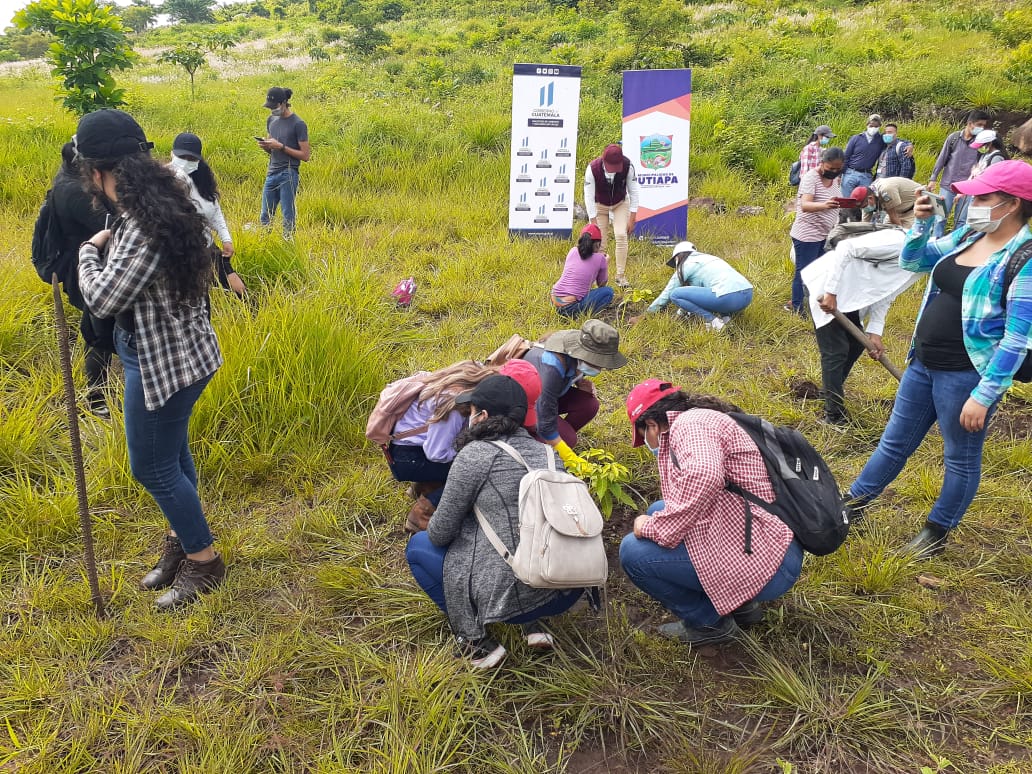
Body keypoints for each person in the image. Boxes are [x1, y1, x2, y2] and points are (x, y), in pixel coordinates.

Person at [75, 109, 225, 609]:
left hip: (163, 361)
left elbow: (102, 299)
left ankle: (204, 562)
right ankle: (185, 542)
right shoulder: (169, 200)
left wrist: (87, 252)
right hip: (183, 351)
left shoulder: (140, 224)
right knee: (173, 457)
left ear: (96, 171)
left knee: (151, 467)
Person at [844, 160, 1032, 558]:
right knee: (894, 442)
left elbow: (1017, 339)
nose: (973, 203)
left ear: (1012, 204)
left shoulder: (1025, 258)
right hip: (923, 362)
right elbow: (914, 261)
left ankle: (937, 529)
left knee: (959, 457)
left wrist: (985, 394)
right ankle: (853, 504)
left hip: (967, 375)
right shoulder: (969, 233)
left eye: (983, 197)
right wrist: (922, 224)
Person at [406, 374, 584, 668]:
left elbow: (439, 534)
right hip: (565, 585)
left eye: (471, 411)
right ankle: (536, 627)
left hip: (513, 595)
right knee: (524, 531)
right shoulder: (549, 454)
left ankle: (476, 643)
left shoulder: (475, 455)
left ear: (483, 416)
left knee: (419, 547)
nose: (468, 418)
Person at [619, 380, 803, 645]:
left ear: (651, 425)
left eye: (643, 435)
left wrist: (654, 528)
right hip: (774, 545)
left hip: (770, 564)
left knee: (633, 553)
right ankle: (741, 606)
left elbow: (704, 475)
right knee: (659, 509)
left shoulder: (689, 426)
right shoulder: (702, 420)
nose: (648, 443)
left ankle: (708, 624)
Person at [802, 228, 921, 426]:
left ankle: (829, 391)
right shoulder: (900, 242)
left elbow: (887, 292)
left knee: (857, 344)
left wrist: (875, 331)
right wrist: (830, 292)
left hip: (849, 296)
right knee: (835, 351)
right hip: (825, 286)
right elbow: (845, 247)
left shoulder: (920, 266)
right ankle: (834, 416)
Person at [385, 361, 498, 532]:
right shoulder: (453, 406)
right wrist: (466, 454)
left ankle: (423, 486)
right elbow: (436, 453)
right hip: (409, 459)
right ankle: (423, 512)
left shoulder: (458, 380)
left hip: (405, 450)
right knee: (472, 473)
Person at [48, 141, 117, 417]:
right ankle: (97, 398)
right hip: (84, 266)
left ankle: (99, 391)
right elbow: (109, 225)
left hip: (87, 262)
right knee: (98, 333)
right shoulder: (74, 191)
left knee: (95, 329)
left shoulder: (69, 179)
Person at [522, 319, 628, 469]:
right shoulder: (551, 367)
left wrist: (580, 381)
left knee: (589, 404)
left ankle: (552, 441)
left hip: (550, 396)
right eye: (597, 362)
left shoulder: (575, 354)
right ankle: (534, 446)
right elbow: (544, 413)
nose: (600, 368)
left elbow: (571, 371)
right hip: (526, 405)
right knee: (568, 439)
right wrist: (569, 456)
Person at [168, 132, 246, 298]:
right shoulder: (161, 181)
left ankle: (252, 314)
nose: (186, 163)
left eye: (192, 159)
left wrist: (226, 239)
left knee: (237, 287)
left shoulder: (202, 180)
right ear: (172, 154)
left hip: (204, 244)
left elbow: (215, 211)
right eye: (183, 157)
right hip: (175, 250)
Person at [636, 241, 753, 331]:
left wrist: (646, 314)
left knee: (675, 294)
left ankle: (713, 322)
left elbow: (668, 293)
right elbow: (699, 297)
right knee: (717, 289)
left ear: (677, 258)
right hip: (747, 295)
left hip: (727, 298)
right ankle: (727, 319)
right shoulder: (709, 258)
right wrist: (680, 314)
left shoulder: (687, 264)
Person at [786, 147, 843, 313]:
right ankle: (797, 307)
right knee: (803, 272)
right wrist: (825, 206)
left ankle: (814, 302)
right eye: (831, 168)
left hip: (825, 234)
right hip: (807, 234)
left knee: (820, 270)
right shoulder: (811, 177)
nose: (834, 171)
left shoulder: (835, 179)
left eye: (838, 169)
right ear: (822, 162)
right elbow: (805, 204)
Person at [584, 143, 640, 288]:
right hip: (599, 205)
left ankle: (620, 276)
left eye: (617, 166)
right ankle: (598, 279)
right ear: (603, 161)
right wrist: (593, 221)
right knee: (600, 242)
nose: (614, 170)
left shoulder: (628, 166)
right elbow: (588, 196)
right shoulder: (592, 169)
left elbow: (633, 192)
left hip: (620, 203)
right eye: (611, 166)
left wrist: (632, 218)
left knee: (621, 235)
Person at [257, 86, 310, 237]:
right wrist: (266, 146)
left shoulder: (298, 124)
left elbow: (305, 155)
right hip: (271, 173)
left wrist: (281, 147)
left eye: (275, 107)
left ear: (284, 103)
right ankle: (264, 245)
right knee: (265, 215)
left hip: (288, 173)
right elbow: (272, 148)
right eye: (270, 107)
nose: (272, 110)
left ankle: (289, 245)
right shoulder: (271, 120)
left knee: (287, 215)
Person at [929, 110, 990, 237]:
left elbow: (982, 164)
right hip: (948, 185)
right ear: (970, 123)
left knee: (961, 221)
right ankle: (935, 242)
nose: (982, 128)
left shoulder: (981, 143)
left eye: (984, 126)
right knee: (940, 217)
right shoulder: (954, 138)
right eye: (979, 124)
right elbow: (942, 158)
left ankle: (954, 247)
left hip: (968, 188)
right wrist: (933, 178)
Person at [551, 223, 613, 318]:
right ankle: (582, 315)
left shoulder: (573, 251)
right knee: (608, 292)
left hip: (554, 299)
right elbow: (601, 284)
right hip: (569, 307)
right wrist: (605, 263)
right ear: (597, 244)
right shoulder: (600, 259)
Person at [952, 129, 1009, 228]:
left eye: (982, 144)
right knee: (969, 221)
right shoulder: (985, 156)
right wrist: (962, 192)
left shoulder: (997, 158)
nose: (980, 147)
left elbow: (992, 180)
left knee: (977, 224)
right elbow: (974, 175)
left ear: (990, 143)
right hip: (977, 194)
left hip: (985, 197)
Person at [840, 114, 884, 199]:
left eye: (876, 126)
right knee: (846, 201)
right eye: (871, 125)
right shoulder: (856, 138)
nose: (873, 128)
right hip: (850, 173)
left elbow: (894, 138)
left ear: (879, 127)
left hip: (866, 175)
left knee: (864, 203)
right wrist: (840, 174)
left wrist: (908, 145)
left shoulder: (881, 140)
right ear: (867, 125)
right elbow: (846, 156)